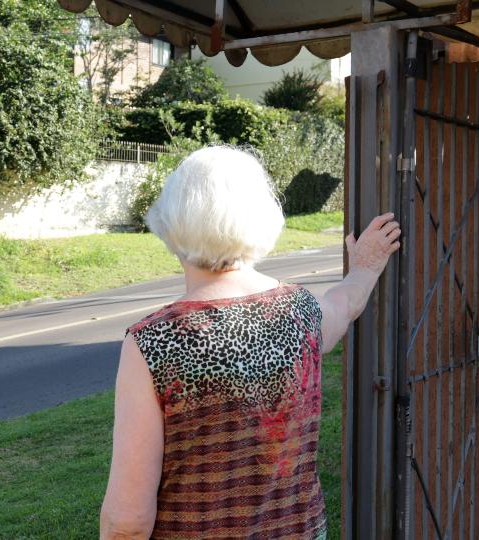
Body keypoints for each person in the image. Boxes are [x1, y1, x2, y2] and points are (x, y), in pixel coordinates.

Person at [99, 146, 400, 539]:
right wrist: (366, 265)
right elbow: (343, 306)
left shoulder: (153, 343)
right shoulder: (299, 312)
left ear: (171, 221)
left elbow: (127, 522)